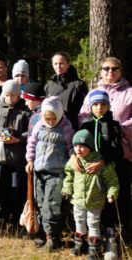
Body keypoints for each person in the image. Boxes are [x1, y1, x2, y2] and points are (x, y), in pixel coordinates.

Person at [78, 57, 132, 258]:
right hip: (92, 156)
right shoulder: (92, 93)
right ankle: (94, 239)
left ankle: (115, 239)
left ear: (121, 70)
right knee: (95, 197)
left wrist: (118, 129)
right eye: (106, 68)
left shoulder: (129, 93)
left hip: (122, 153)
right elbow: (83, 117)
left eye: (115, 68)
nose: (110, 71)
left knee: (118, 197)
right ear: (100, 71)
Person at [77, 90, 123, 259]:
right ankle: (93, 245)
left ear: (108, 106)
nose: (99, 107)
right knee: (92, 209)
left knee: (110, 207)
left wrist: (102, 162)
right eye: (95, 104)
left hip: (106, 172)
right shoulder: (85, 125)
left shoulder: (113, 125)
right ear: (90, 107)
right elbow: (78, 146)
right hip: (89, 176)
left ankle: (111, 242)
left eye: (103, 104)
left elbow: (117, 150)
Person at [25, 96, 75, 251]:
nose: (51, 121)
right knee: (40, 202)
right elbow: (31, 144)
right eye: (48, 118)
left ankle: (52, 237)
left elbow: (71, 147)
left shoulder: (66, 127)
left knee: (52, 204)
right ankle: (43, 234)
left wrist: (74, 158)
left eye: (54, 118)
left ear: (59, 115)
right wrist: (30, 160)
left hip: (57, 173)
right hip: (39, 172)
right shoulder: (39, 125)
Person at [62, 129, 119, 259]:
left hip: (95, 201)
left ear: (90, 147)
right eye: (76, 146)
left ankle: (95, 249)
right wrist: (66, 189)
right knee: (79, 221)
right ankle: (79, 245)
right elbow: (69, 177)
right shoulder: (73, 162)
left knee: (93, 223)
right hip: (78, 200)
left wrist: (112, 194)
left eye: (82, 146)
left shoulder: (99, 163)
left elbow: (112, 180)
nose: (78, 149)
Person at [0, 80, 31, 223]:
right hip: (2, 157)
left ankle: (17, 215)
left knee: (17, 188)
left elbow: (31, 132)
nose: (10, 98)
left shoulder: (25, 112)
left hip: (18, 158)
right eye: (7, 95)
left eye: (13, 96)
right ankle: (4, 214)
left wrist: (18, 139)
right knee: (3, 187)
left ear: (19, 95)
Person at [44, 51, 88, 130]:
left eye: (61, 63)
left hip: (71, 128)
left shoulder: (78, 85)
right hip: (52, 128)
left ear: (68, 64)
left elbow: (84, 110)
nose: (58, 66)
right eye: (55, 64)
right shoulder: (49, 86)